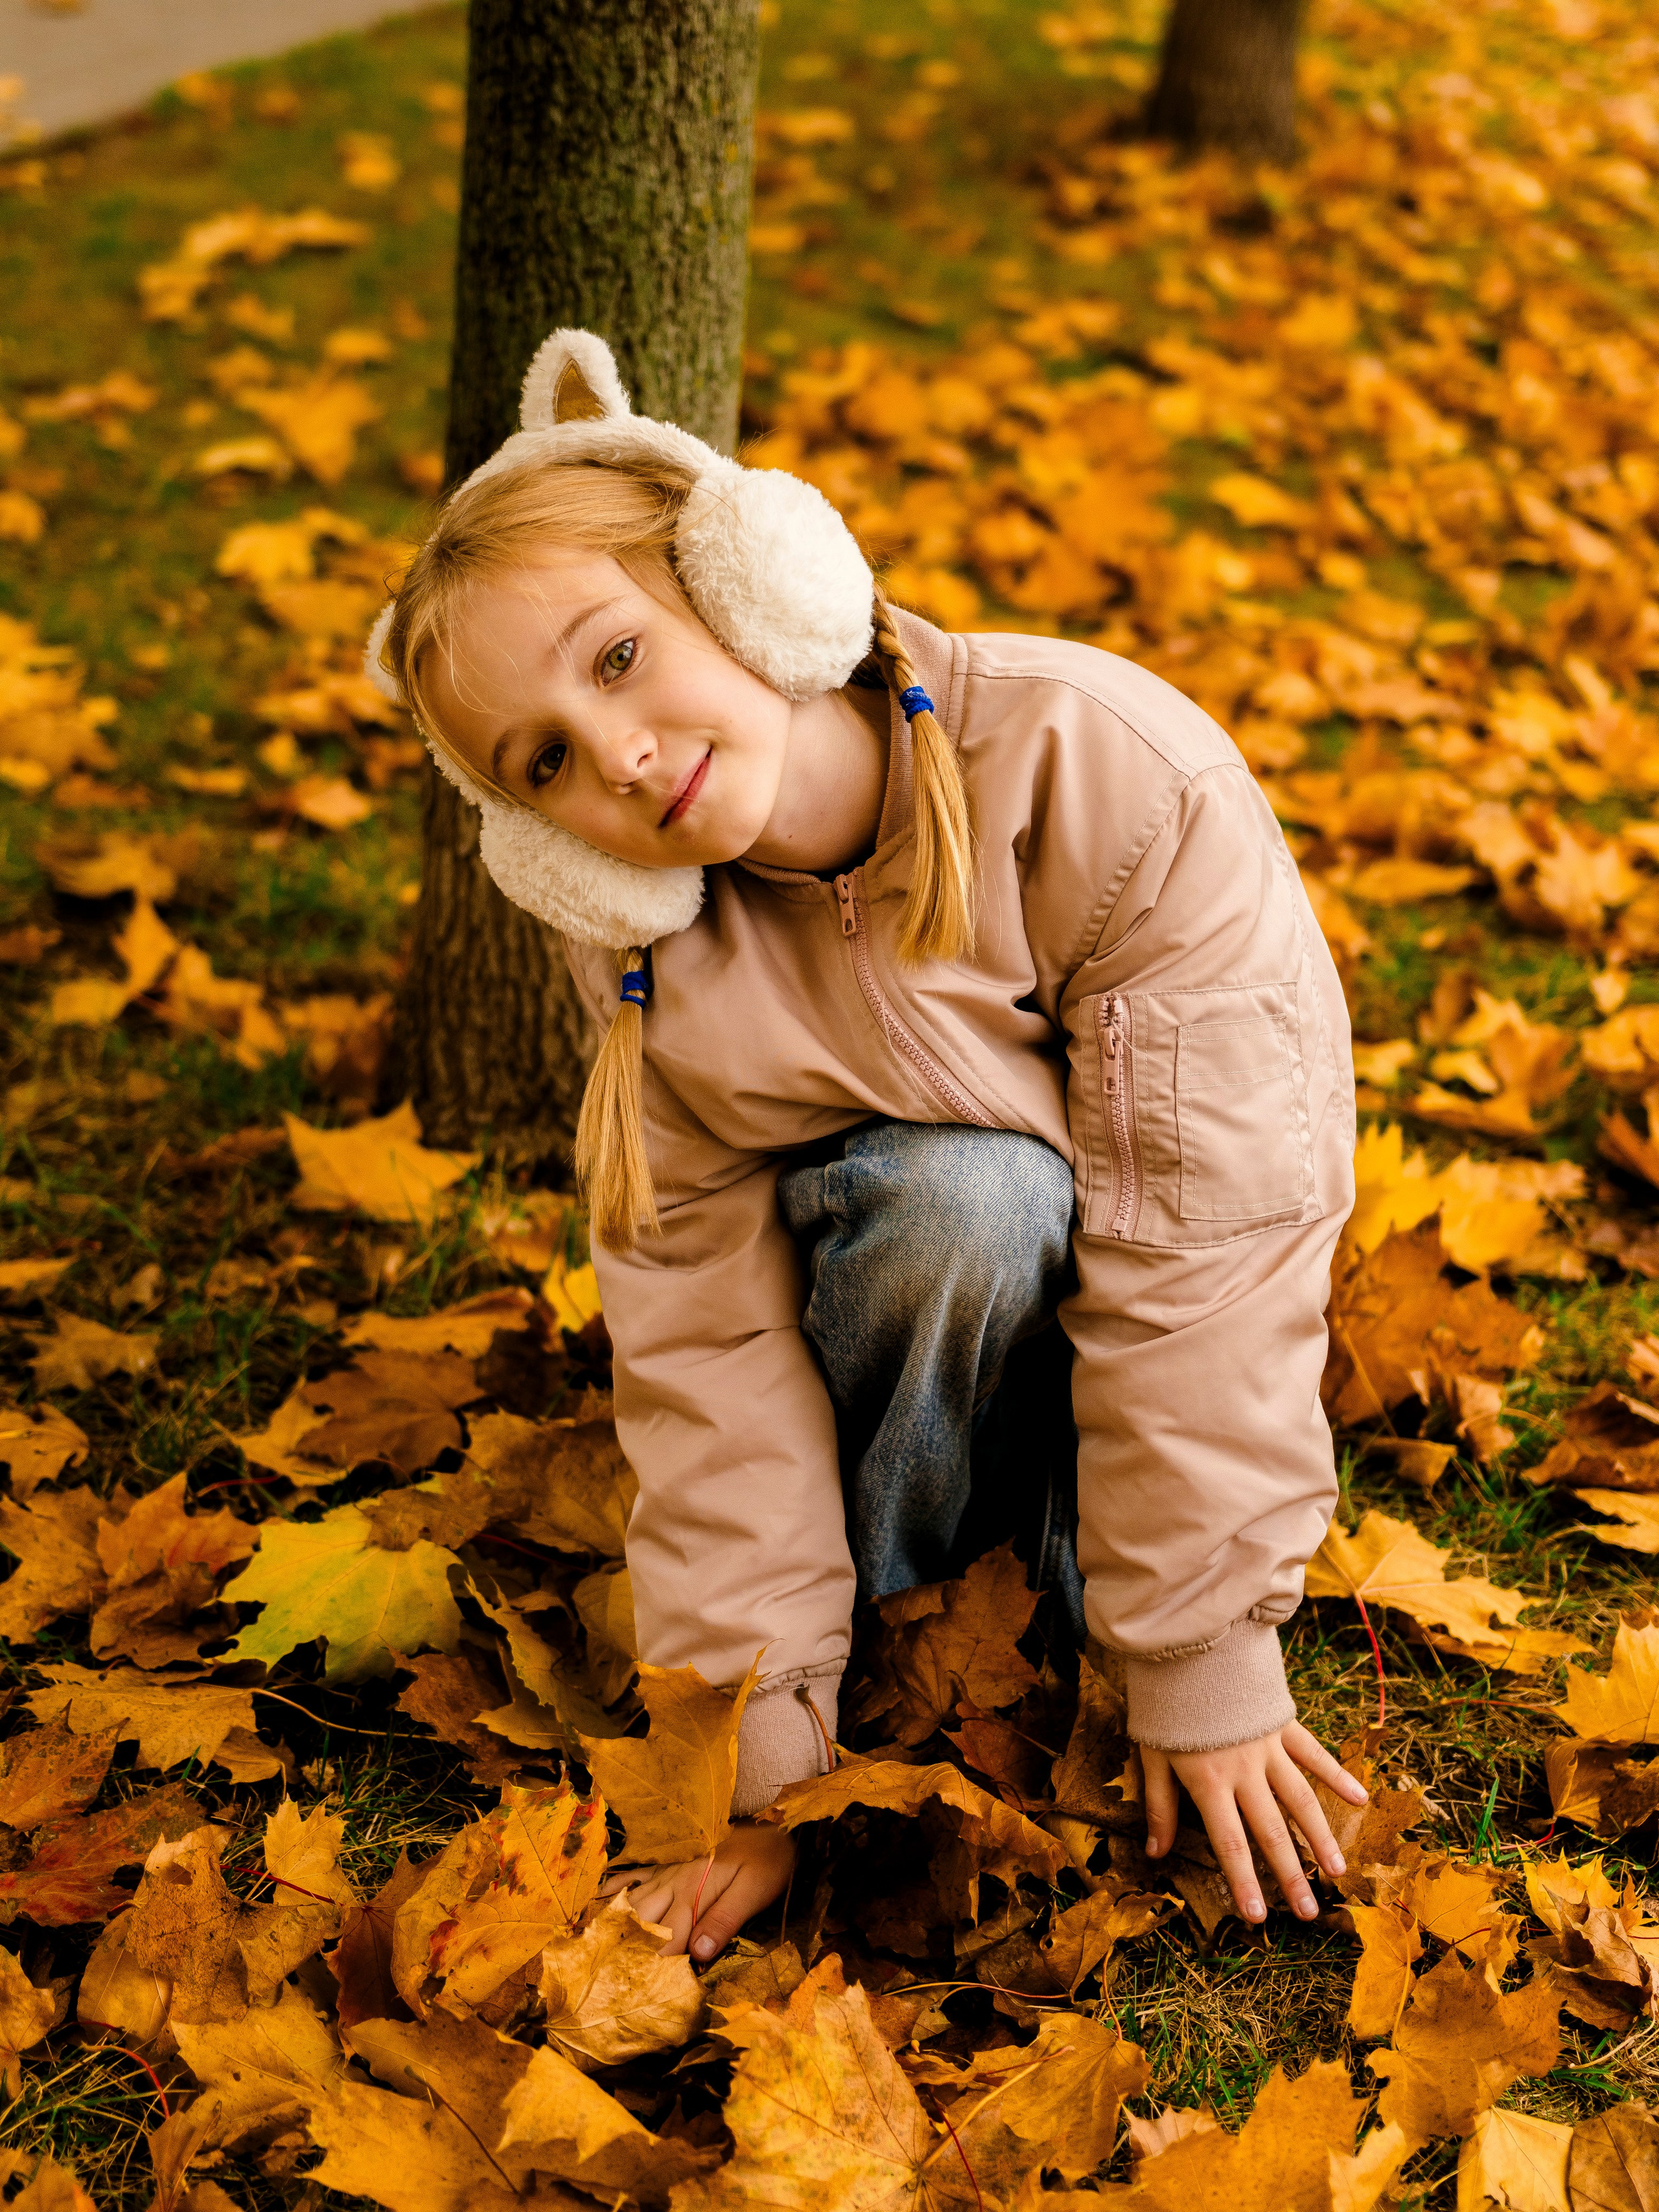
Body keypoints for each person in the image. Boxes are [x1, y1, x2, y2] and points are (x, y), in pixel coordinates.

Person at [366, 329, 1367, 1964]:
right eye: (543, 761)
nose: (613, 754)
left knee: (991, 1191)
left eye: (616, 659)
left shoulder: (1101, 774)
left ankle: (1088, 1611)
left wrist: (1200, 1653)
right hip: (889, 1430)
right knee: (947, 1203)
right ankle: (912, 1655)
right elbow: (708, 1362)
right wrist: (760, 1770)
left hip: (1139, 1397)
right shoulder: (646, 959)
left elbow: (1211, 1241)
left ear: (744, 575)